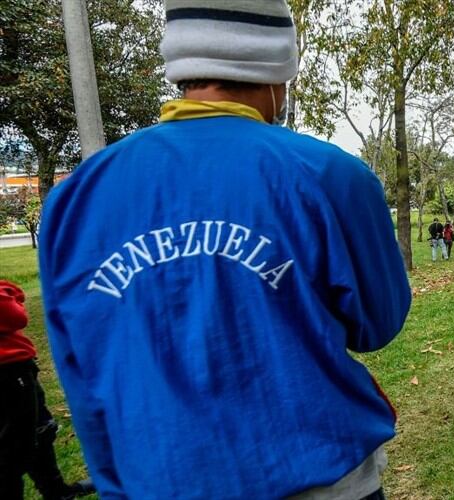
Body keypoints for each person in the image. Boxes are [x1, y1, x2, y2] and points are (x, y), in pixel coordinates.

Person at [37, 1, 411, 498]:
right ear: (278, 70)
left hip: (158, 479)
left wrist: (113, 482)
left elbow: (79, 368)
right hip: (319, 475)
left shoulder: (74, 197)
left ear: (182, 67)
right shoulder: (329, 175)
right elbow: (376, 325)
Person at [1, 280, 95, 500]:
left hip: (18, 368)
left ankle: (56, 491)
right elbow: (13, 315)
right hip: (7, 373)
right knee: (13, 446)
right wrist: (9, 292)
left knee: (40, 428)